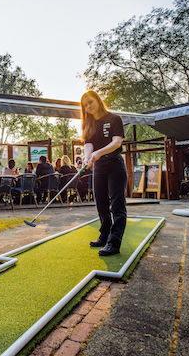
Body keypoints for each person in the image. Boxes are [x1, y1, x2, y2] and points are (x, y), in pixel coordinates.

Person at [82, 90, 126, 256]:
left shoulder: (114, 119)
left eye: (91, 102)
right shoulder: (89, 124)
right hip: (99, 167)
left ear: (98, 101)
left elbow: (117, 142)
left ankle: (114, 243)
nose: (89, 107)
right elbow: (88, 145)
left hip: (115, 164)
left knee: (117, 204)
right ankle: (105, 234)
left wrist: (98, 153)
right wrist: (88, 158)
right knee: (100, 203)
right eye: (85, 105)